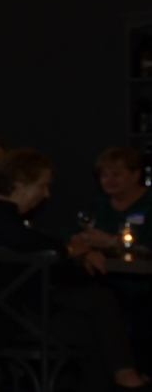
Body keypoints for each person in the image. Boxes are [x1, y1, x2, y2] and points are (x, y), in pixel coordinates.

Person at [0, 148, 149, 392]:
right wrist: (70, 248)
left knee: (101, 307)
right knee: (104, 325)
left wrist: (70, 250)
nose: (46, 195)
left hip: (14, 316)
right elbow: (34, 246)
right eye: (42, 186)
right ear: (20, 184)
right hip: (9, 325)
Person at [77, 145, 152, 372]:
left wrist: (112, 242)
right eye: (104, 175)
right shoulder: (100, 204)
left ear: (136, 174)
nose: (109, 180)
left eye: (116, 174)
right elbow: (72, 234)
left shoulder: (148, 204)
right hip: (112, 281)